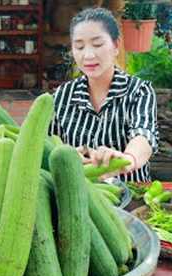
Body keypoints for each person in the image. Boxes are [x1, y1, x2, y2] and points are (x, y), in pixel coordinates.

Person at [49, 7, 158, 182]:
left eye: (98, 44)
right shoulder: (62, 95)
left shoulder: (139, 90)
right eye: (79, 46)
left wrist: (127, 159)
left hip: (131, 191)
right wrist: (67, 156)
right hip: (82, 193)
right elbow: (48, 143)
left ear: (115, 46)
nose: (88, 55)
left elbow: (144, 135)